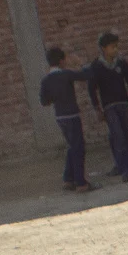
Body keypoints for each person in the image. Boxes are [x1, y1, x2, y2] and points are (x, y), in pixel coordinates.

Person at [88, 32, 128, 181]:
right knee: (118, 137)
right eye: (112, 47)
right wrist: (97, 108)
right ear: (104, 48)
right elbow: (92, 89)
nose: (116, 50)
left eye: (116, 46)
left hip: (123, 103)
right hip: (109, 107)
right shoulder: (97, 66)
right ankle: (125, 170)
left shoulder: (121, 63)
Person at [40, 46, 93, 193]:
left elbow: (44, 101)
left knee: (71, 146)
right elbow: (86, 75)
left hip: (60, 116)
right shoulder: (66, 74)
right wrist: (81, 63)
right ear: (62, 61)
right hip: (72, 114)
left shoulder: (46, 80)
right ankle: (81, 182)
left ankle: (68, 179)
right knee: (78, 147)